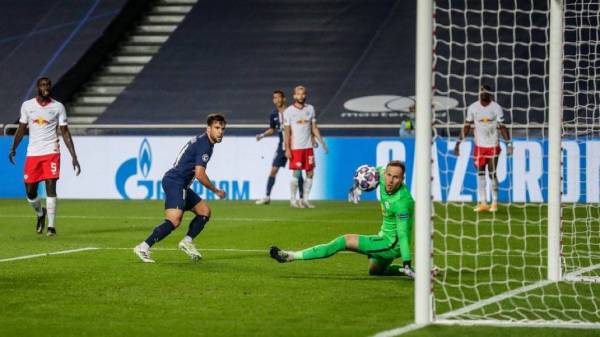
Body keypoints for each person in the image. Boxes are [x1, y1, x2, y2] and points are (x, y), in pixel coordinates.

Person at [270, 161, 415, 277]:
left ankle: (291, 256)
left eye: (396, 177)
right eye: (388, 175)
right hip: (383, 235)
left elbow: (403, 235)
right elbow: (369, 175)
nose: (390, 180)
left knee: (344, 241)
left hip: (391, 245)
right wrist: (357, 187)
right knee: (375, 272)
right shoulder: (381, 175)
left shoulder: (403, 202)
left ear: (402, 179)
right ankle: (420, 272)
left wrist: (407, 261)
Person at [133, 113, 227, 263]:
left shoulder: (205, 142)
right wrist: (216, 190)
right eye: (217, 128)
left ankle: (187, 242)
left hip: (180, 183)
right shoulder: (205, 145)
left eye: (222, 128)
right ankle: (143, 247)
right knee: (174, 220)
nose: (220, 131)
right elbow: (200, 174)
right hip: (175, 181)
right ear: (208, 128)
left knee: (204, 211)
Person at [8, 77, 81, 236]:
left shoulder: (58, 107)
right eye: (42, 85)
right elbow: (21, 128)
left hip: (51, 151)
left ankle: (51, 227)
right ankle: (41, 214)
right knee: (30, 192)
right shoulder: (27, 106)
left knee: (51, 188)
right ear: (38, 88)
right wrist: (13, 147)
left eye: (48, 85)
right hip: (33, 153)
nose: (46, 87)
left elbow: (65, 132)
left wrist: (74, 156)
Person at [454, 85, 512, 212]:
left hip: (493, 145)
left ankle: (495, 202)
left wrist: (509, 144)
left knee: (492, 173)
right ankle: (483, 202)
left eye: (486, 91)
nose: (484, 93)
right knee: (480, 173)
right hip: (479, 147)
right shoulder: (473, 108)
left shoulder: (496, 108)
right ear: (479, 93)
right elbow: (467, 126)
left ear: (490, 93)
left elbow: (502, 127)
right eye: (481, 91)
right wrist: (458, 143)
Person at [283, 85, 328, 208]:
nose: (301, 96)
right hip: (296, 147)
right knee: (296, 174)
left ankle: (305, 200)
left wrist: (322, 142)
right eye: (298, 94)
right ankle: (293, 200)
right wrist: (287, 148)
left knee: (310, 173)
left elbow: (313, 127)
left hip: (308, 147)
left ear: (305, 95)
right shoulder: (289, 111)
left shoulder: (310, 109)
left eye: (303, 94)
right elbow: (287, 131)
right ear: (294, 96)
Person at [255, 90, 303, 204]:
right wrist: (262, 135)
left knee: (297, 172)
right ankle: (267, 197)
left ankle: (301, 198)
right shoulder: (273, 114)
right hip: (282, 147)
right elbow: (272, 129)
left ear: (284, 99)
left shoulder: (292, 112)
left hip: (294, 146)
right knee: (273, 170)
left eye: (278, 97)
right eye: (274, 98)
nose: (276, 100)